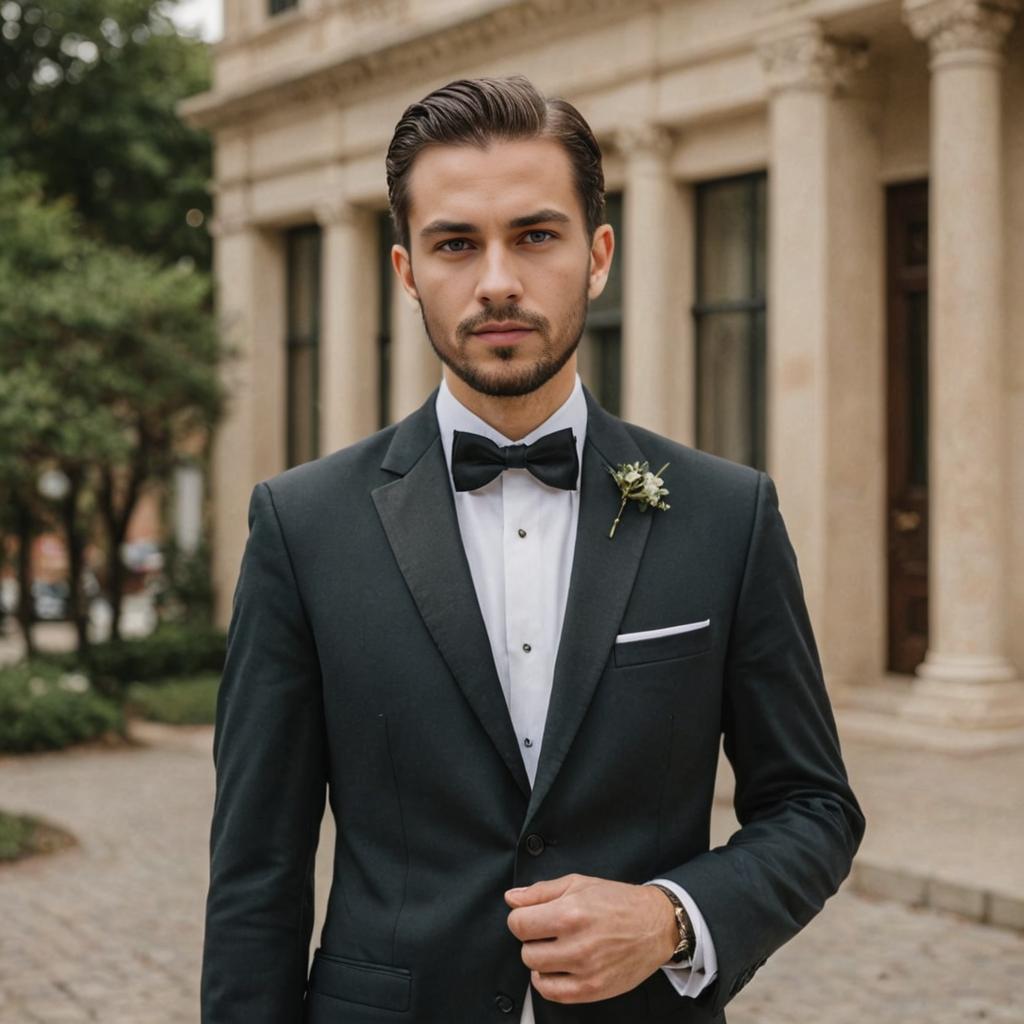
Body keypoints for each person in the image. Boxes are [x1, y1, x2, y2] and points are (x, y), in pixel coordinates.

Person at [200, 75, 865, 1024]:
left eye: (535, 235)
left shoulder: (728, 515)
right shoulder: (301, 527)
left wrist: (671, 918)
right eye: (456, 244)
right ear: (405, 271)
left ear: (598, 256)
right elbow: (255, 874)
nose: (498, 280)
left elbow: (813, 806)